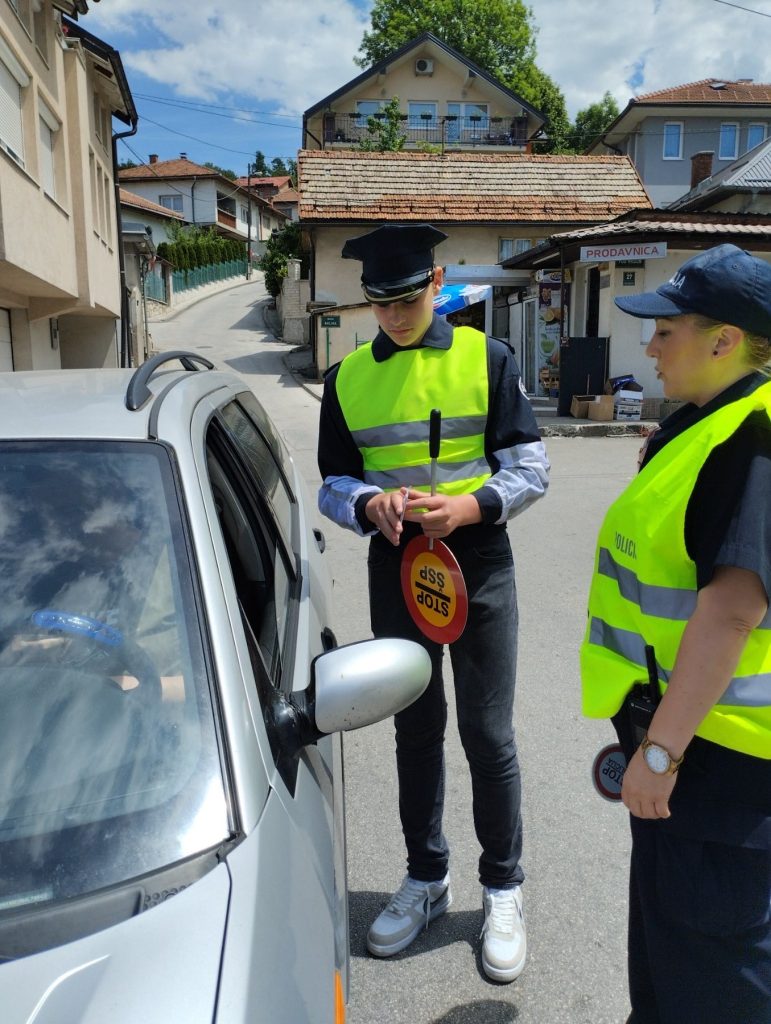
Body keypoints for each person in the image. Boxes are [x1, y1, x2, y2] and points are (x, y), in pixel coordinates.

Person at [317, 223, 549, 982]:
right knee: (414, 731)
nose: (393, 316)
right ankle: (426, 877)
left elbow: (530, 467)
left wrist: (472, 507)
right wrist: (368, 504)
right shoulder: (347, 378)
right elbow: (331, 483)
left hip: (477, 562)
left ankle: (502, 888)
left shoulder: (489, 358)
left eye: (407, 300)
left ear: (437, 283)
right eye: (379, 304)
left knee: (487, 733)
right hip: (398, 565)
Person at [580, 243, 771, 1023]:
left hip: (717, 763)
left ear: (724, 340)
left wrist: (660, 753)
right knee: (671, 958)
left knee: (714, 980)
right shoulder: (708, 423)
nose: (649, 347)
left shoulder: (751, 438)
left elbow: (731, 610)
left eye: (666, 331)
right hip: (691, 745)